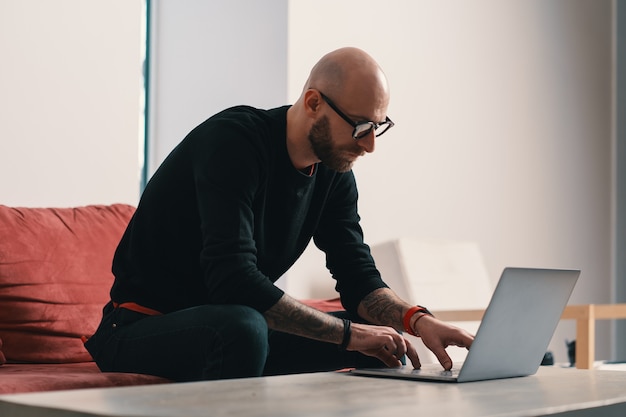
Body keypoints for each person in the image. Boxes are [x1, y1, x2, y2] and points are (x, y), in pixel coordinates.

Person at [85, 47, 474, 381]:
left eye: (378, 126)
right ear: (313, 103)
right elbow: (234, 281)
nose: (370, 145)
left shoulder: (333, 171)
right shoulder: (234, 142)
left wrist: (417, 322)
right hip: (139, 327)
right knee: (245, 327)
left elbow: (358, 278)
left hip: (231, 322)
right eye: (359, 127)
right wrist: (347, 334)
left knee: (383, 341)